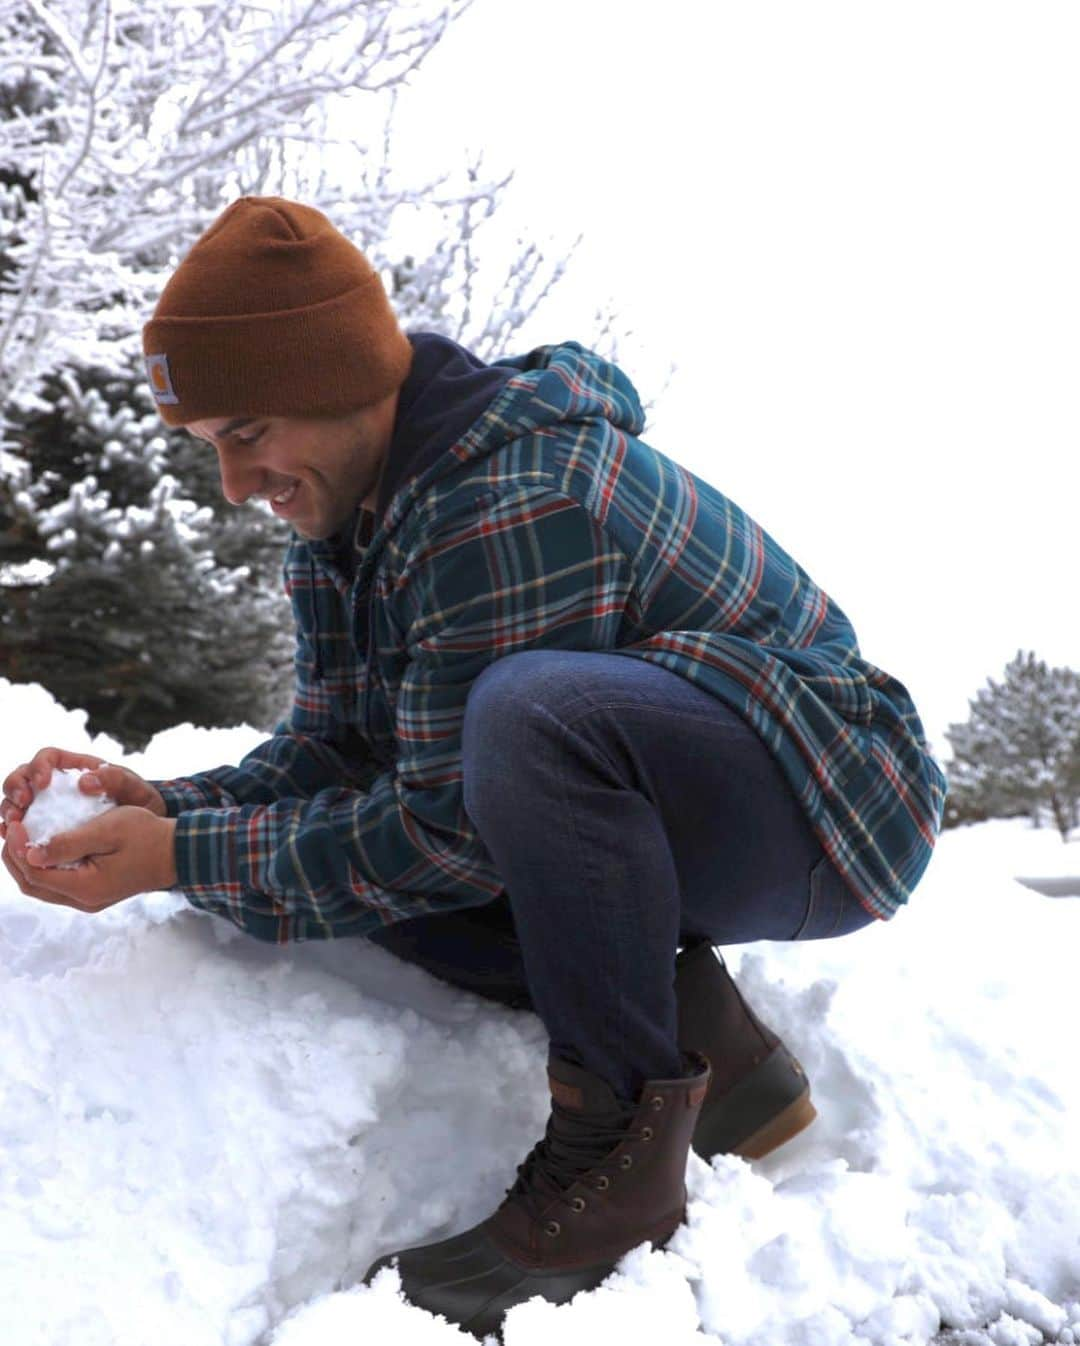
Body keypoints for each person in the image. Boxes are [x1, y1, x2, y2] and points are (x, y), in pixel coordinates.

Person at [0, 196, 948, 1337]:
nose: (236, 484)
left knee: (521, 723)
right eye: (212, 450)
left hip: (833, 802)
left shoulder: (507, 499)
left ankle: (620, 1176)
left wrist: (180, 858)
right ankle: (713, 1048)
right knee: (338, 869)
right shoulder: (346, 523)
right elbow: (336, 751)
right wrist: (166, 806)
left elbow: (442, 827)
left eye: (247, 431)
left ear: (338, 377)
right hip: (675, 803)